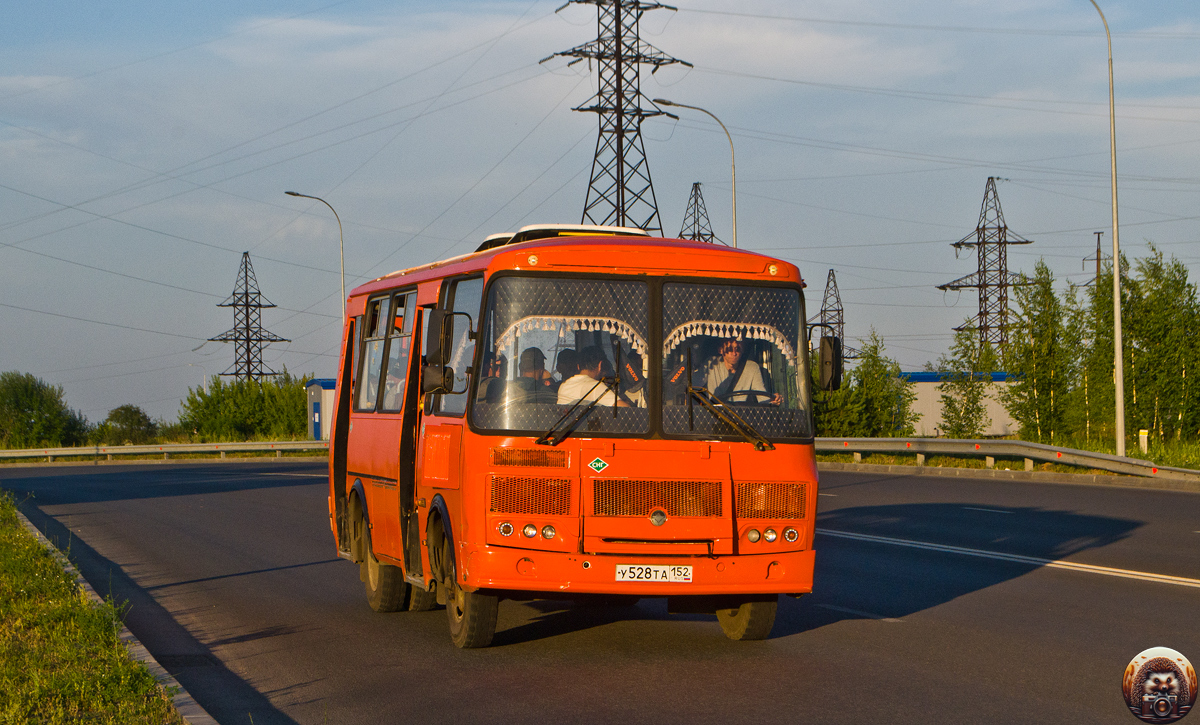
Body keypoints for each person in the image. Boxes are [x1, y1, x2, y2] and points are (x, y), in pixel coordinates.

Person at [706, 338, 782, 405]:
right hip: (714, 416)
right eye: (730, 349)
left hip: (741, 417)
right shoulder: (711, 364)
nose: (734, 353)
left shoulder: (752, 367)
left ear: (742, 350)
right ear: (720, 350)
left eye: (737, 349)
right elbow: (694, 385)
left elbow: (762, 398)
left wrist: (773, 400)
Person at [557, 346, 629, 407]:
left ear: (578, 366)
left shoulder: (564, 386)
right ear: (600, 365)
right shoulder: (595, 386)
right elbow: (626, 411)